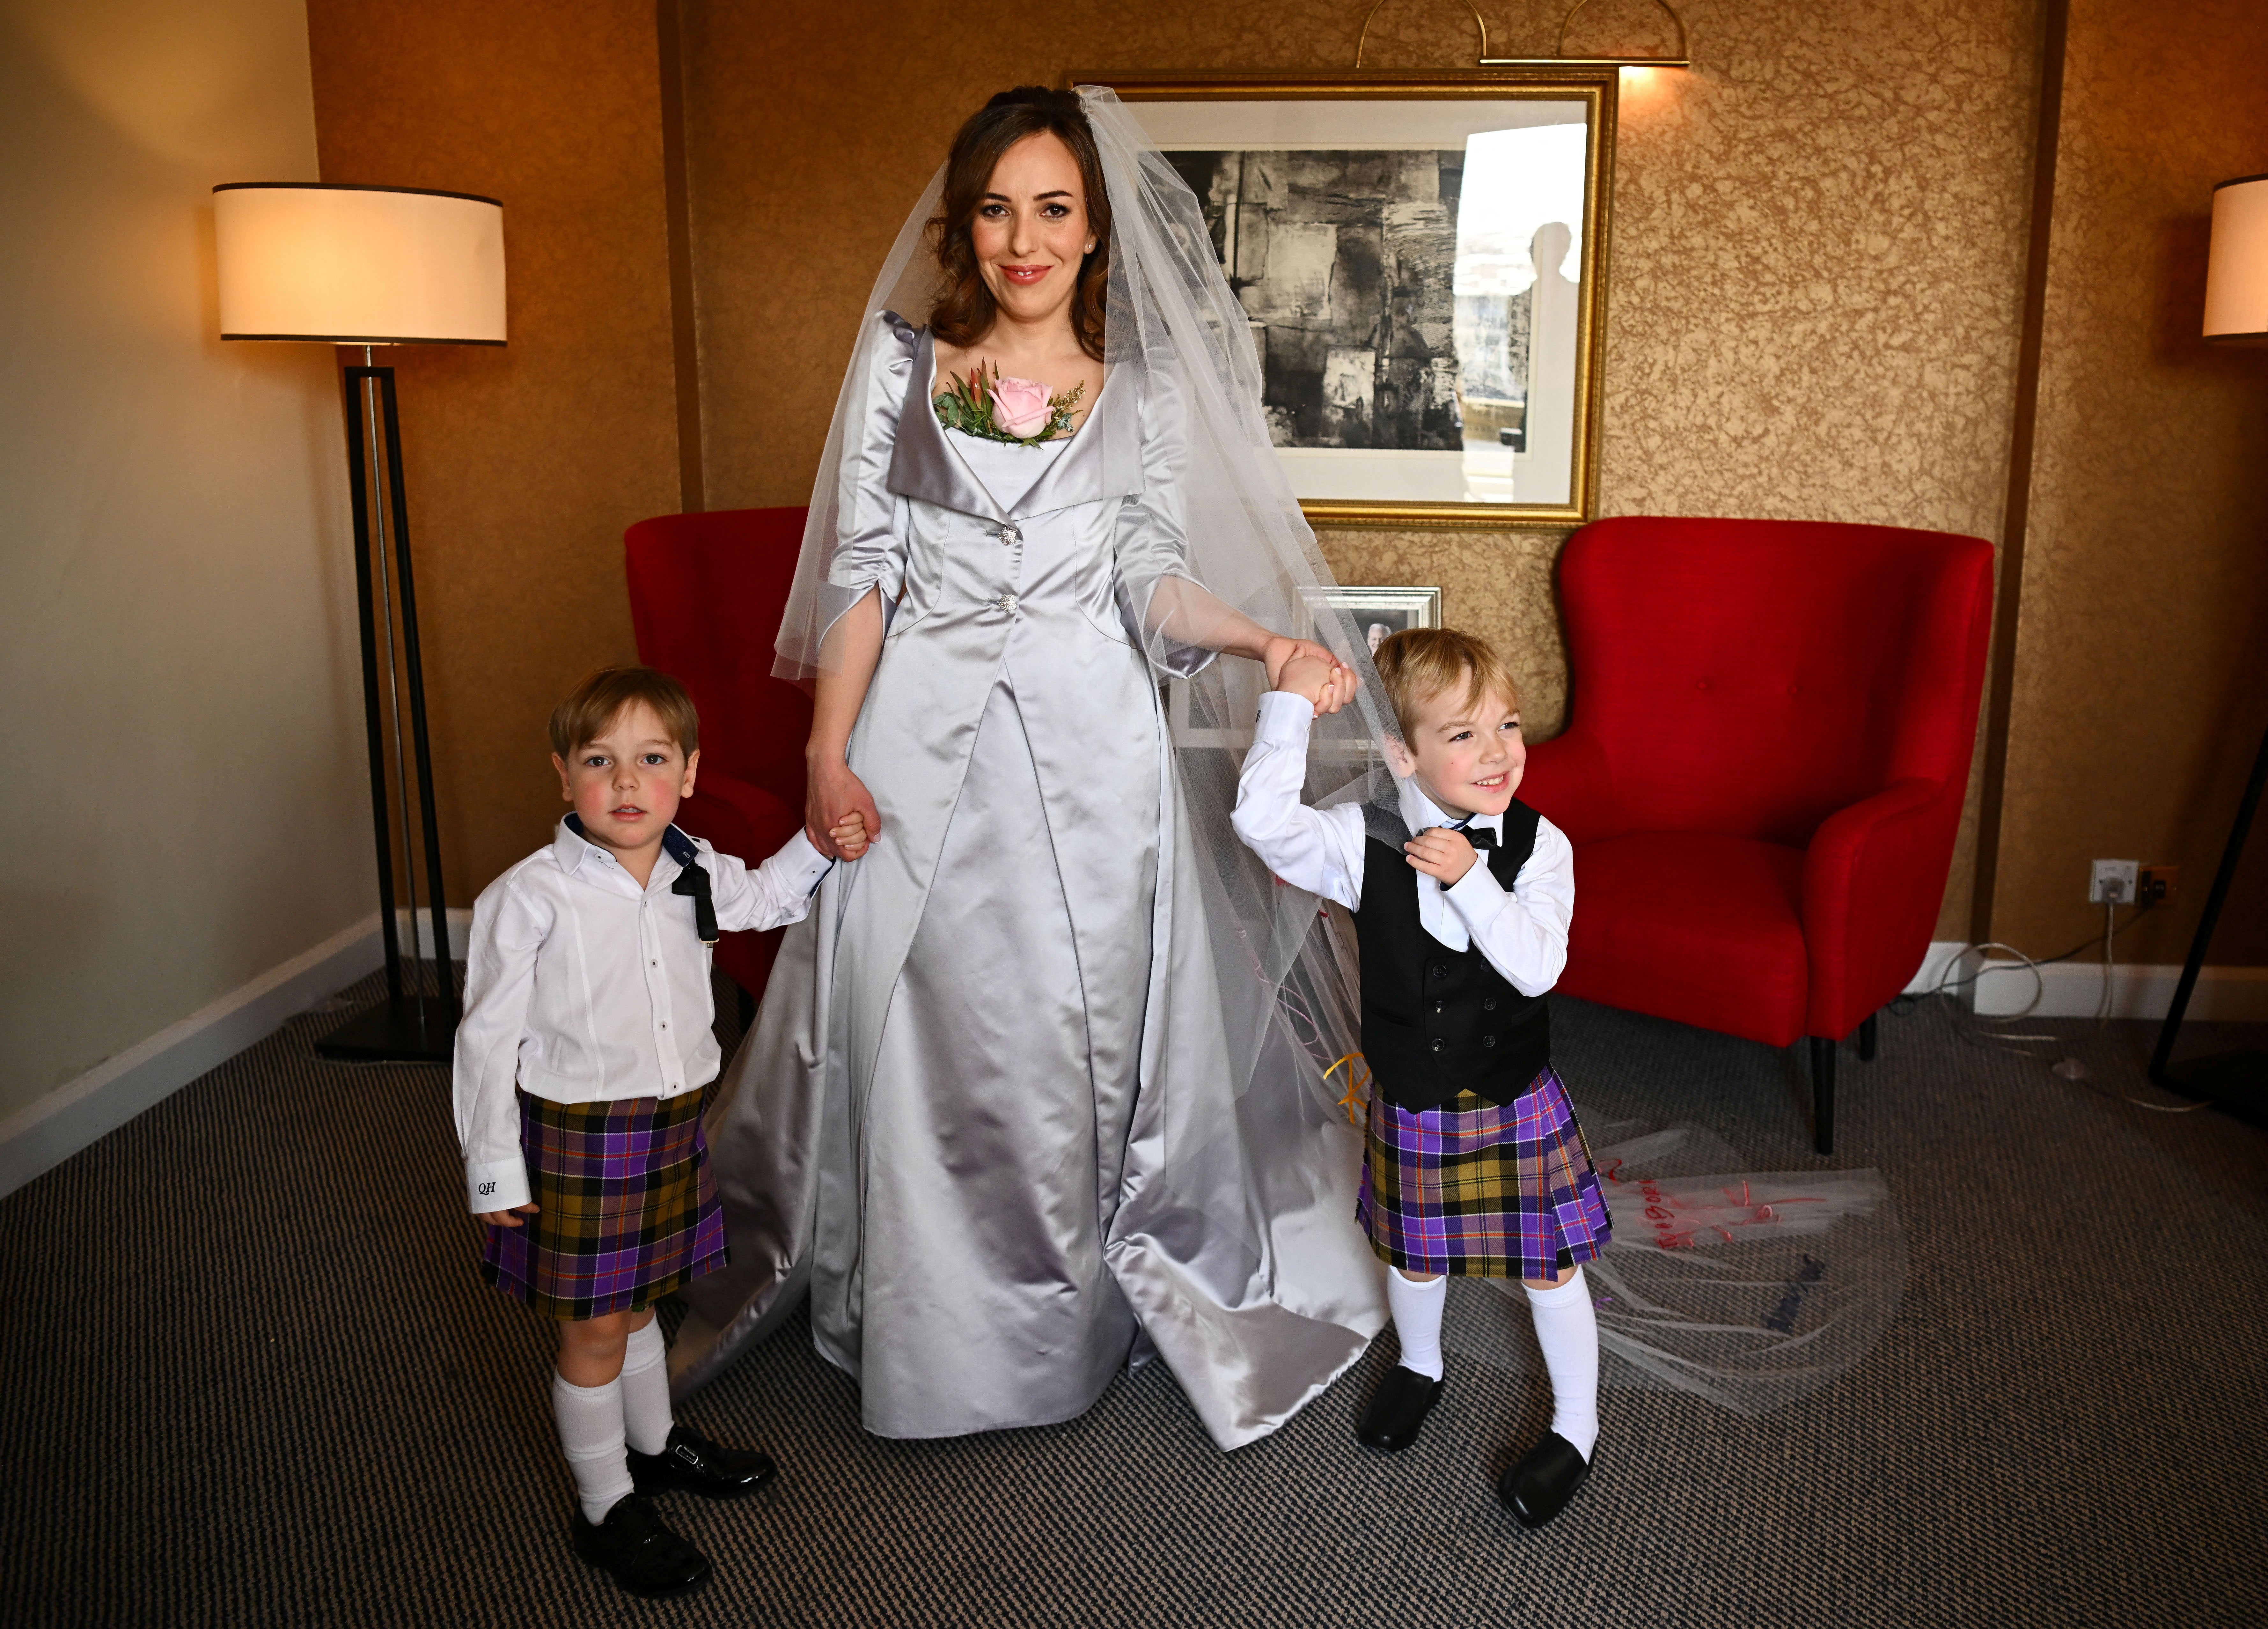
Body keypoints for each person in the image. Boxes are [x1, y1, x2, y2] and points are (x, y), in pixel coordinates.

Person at [672, 86, 1394, 1447]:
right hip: (914, 747)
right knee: (923, 1023)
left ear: (1093, 231)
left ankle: (1064, 1319)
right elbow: (864, 574)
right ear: (963, 226)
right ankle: (920, 1309)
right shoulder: (901, 368)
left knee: (1076, 1037)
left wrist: (1256, 634)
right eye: (996, 208)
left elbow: (1149, 580)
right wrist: (828, 750)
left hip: (1091, 751)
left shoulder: (1148, 393)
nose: (1023, 238)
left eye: (1052, 208)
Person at [451, 666, 869, 1596]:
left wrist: (820, 845)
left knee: (641, 1299)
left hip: (673, 1120)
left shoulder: (696, 867)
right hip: (580, 1134)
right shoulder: (528, 897)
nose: (627, 782)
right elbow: (484, 1041)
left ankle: (654, 1443)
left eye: (651, 759)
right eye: (601, 761)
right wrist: (493, 1171)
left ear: (687, 773)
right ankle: (605, 1505)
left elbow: (764, 899)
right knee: (595, 1325)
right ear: (564, 777)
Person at [1231, 628, 1611, 1529]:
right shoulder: (1362, 838)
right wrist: (1287, 701)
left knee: (1550, 1271)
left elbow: (1534, 967)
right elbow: (1261, 824)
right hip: (1412, 1100)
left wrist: (1473, 876)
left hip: (1512, 1098)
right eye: (1463, 735)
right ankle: (1420, 1364)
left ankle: (1576, 1426)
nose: (1498, 754)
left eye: (1507, 726)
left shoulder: (1538, 844)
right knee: (1410, 1251)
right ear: (1401, 752)